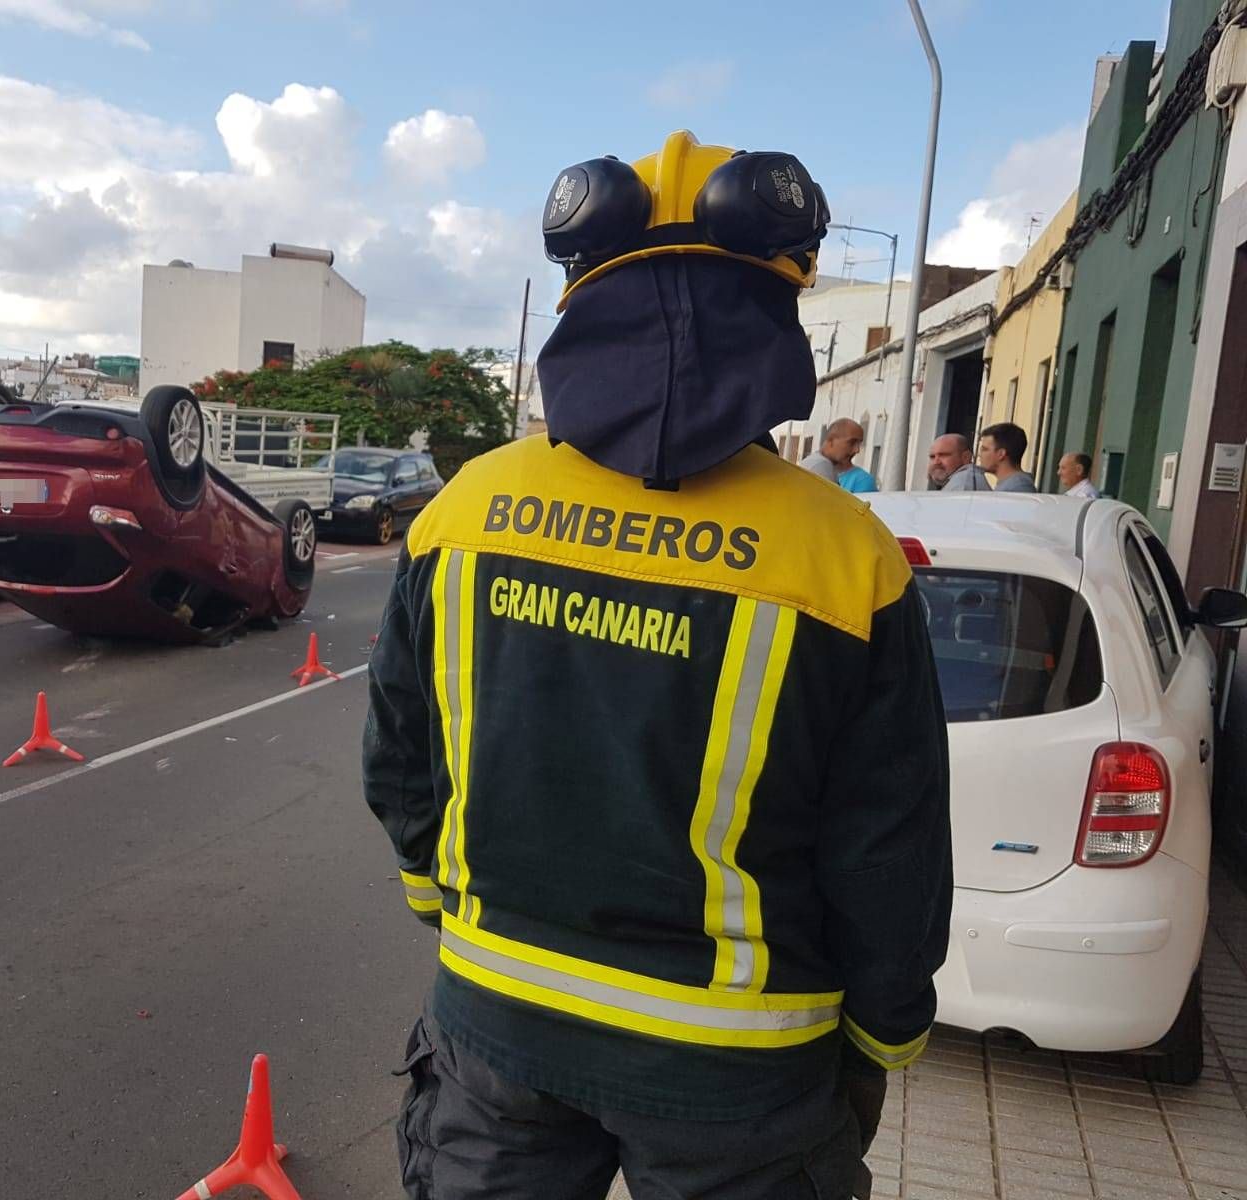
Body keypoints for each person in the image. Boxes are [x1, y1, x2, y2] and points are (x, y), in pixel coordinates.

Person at [364, 130, 952, 1200]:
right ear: (778, 309)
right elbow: (887, 841)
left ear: (579, 302)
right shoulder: (841, 554)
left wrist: (438, 901)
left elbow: (403, 755)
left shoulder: (465, 510)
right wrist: (886, 1031)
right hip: (741, 1073)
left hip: (497, 1020)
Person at [976, 422, 1037, 493]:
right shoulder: (1011, 485)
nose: (979, 454)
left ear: (1001, 454)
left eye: (984, 449)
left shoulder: (1018, 488)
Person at [800, 418, 863, 485]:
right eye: (852, 442)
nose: (857, 450)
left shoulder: (820, 463)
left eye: (859, 444)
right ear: (831, 440)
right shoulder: (821, 466)